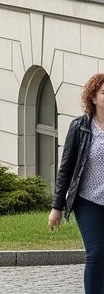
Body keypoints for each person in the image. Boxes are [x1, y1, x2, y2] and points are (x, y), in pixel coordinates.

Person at [49, 72, 104, 293]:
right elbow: (66, 169)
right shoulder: (80, 127)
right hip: (88, 201)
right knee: (96, 253)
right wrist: (56, 207)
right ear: (93, 98)